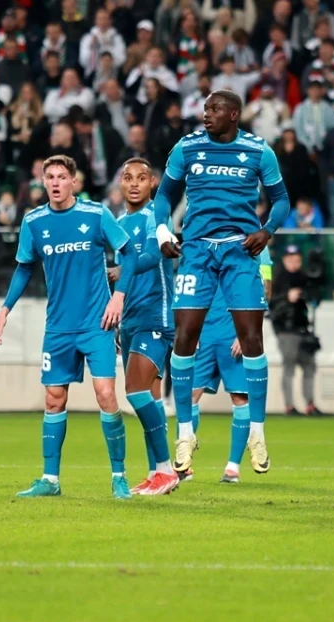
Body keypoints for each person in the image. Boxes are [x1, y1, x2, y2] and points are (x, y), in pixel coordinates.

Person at [151, 90, 290, 477]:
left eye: (214, 109)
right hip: (195, 251)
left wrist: (267, 231)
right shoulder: (187, 147)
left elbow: (281, 200)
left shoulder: (259, 150)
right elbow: (164, 196)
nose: (206, 114)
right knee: (184, 338)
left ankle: (258, 433)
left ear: (234, 114)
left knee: (251, 341)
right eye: (205, 108)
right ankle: (184, 434)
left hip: (239, 252)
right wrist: (163, 230)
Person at [0, 155, 136, 500]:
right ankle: (50, 480)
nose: (55, 183)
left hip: (97, 322)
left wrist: (119, 299)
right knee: (54, 400)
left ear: (74, 182)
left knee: (106, 394)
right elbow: (24, 268)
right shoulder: (34, 221)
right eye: (49, 177)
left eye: (61, 177)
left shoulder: (96, 214)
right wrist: (4, 311)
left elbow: (128, 254)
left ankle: (119, 476)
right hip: (58, 327)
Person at [106, 158, 179, 497]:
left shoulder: (155, 218)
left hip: (155, 315)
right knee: (147, 397)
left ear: (152, 184)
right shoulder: (119, 223)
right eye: (127, 177)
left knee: (135, 392)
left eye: (141, 178)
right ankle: (155, 472)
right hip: (131, 319)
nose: (134, 183)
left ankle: (169, 468)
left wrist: (123, 270)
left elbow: (155, 256)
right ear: (120, 185)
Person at [190, 247, 273, 484]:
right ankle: (184, 466)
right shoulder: (205, 241)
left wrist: (245, 333)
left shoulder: (257, 247)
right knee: (189, 396)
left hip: (232, 332)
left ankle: (232, 468)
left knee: (239, 398)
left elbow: (264, 289)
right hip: (205, 331)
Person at [271, 246, 322, 416]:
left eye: (298, 260)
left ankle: (310, 404)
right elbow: (269, 303)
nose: (295, 263)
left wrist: (307, 293)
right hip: (286, 330)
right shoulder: (277, 278)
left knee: (309, 367)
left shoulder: (304, 277)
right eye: (291, 260)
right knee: (289, 367)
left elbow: (316, 296)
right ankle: (289, 406)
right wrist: (287, 297)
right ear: (284, 260)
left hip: (303, 328)